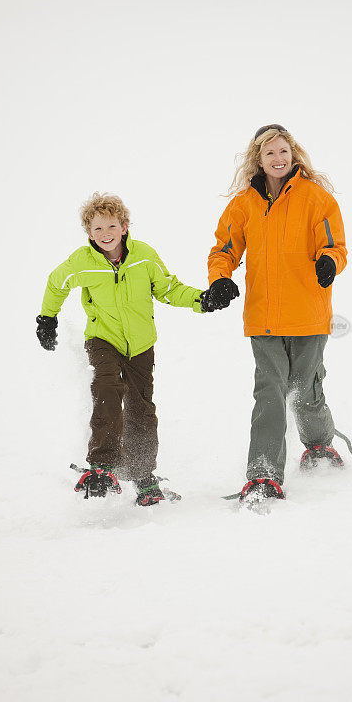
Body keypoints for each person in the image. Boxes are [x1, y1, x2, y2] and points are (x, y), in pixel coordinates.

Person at [36, 192, 210, 506]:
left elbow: (168, 288)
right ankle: (103, 463)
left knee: (142, 410)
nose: (105, 234)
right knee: (107, 388)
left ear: (125, 226)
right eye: (98, 229)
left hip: (141, 345)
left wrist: (201, 300)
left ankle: (143, 476)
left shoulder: (144, 256)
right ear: (89, 232)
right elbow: (56, 282)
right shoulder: (83, 261)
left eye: (112, 226)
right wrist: (48, 317)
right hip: (103, 339)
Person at [207, 125, 348, 503]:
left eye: (283, 151)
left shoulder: (316, 198)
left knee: (305, 391)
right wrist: (220, 278)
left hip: (308, 314)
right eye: (270, 153)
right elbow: (224, 249)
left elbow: (335, 244)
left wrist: (329, 263)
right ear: (258, 159)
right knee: (270, 393)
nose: (278, 158)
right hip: (264, 318)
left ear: (293, 153)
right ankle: (264, 475)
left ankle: (319, 444)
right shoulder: (244, 203)